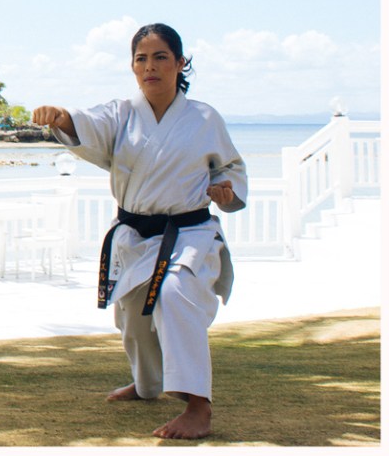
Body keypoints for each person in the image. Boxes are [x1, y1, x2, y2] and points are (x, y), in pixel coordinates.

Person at [32, 23, 246, 440]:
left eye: (160, 57)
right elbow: (86, 125)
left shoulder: (204, 118)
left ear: (180, 63)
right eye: (141, 58)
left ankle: (198, 406)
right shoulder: (121, 113)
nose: (150, 66)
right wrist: (61, 118)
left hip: (188, 232)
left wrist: (226, 191)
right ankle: (148, 386)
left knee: (173, 295)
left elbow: (231, 171)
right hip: (134, 233)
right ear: (132, 66)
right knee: (132, 312)